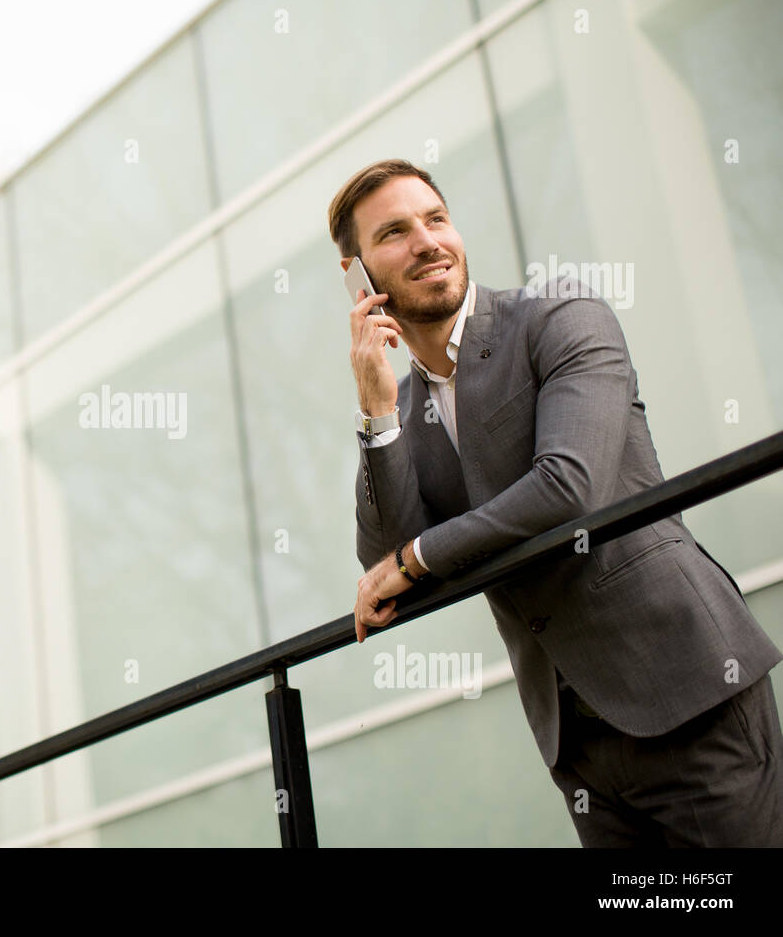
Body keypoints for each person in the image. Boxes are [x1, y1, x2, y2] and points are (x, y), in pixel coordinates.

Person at [329, 157, 783, 846]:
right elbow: (386, 562)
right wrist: (376, 410)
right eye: (394, 232)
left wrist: (418, 557)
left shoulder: (560, 318)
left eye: (437, 219)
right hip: (574, 743)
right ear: (356, 275)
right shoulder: (406, 406)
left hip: (688, 690)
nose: (427, 241)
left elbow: (567, 486)